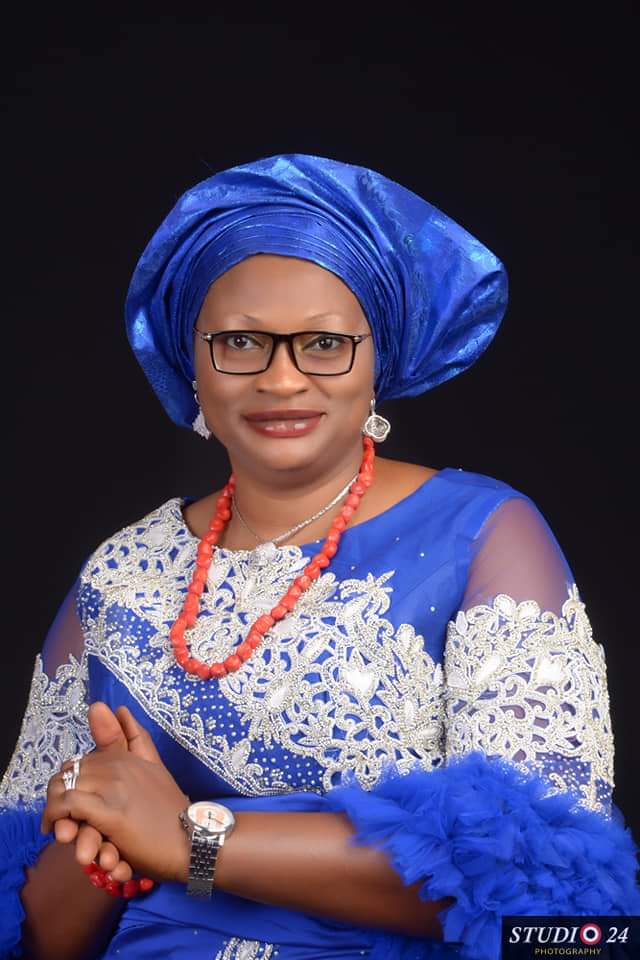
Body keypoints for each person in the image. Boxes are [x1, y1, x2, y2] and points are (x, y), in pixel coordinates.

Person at [1, 153, 638, 960]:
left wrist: (192, 839)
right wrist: (100, 831)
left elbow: (555, 905)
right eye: (240, 341)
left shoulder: (485, 534)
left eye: (325, 343)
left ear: (377, 361)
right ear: (191, 362)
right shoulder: (122, 575)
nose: (282, 379)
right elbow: (34, 936)